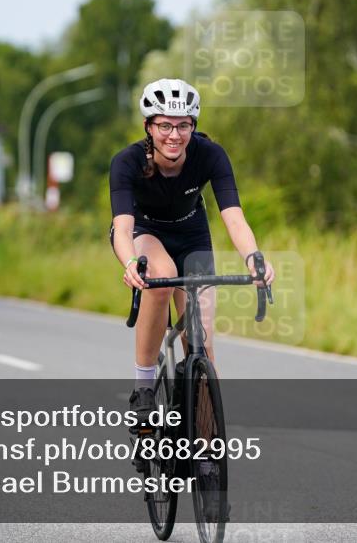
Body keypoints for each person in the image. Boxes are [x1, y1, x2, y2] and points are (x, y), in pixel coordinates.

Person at [109, 78, 275, 423]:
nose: (174, 135)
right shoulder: (126, 162)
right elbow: (122, 228)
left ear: (193, 126)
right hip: (144, 233)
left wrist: (254, 258)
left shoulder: (210, 154)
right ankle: (143, 387)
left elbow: (234, 219)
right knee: (163, 277)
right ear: (148, 127)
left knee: (203, 345)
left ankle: (203, 437)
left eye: (183, 125)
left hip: (191, 233)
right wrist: (129, 263)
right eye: (165, 125)